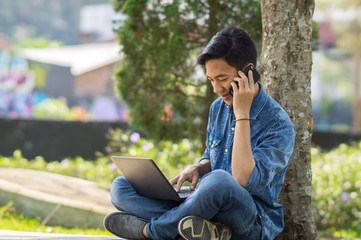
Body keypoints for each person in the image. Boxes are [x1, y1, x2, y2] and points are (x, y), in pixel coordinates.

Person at [104, 27, 296, 240]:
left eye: (221, 79)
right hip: (204, 204)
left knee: (221, 181)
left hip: (249, 219)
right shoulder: (218, 108)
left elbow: (242, 179)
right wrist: (199, 166)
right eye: (211, 80)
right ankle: (201, 229)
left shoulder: (279, 125)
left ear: (248, 72)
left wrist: (242, 114)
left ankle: (153, 231)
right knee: (121, 187)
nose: (216, 88)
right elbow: (213, 155)